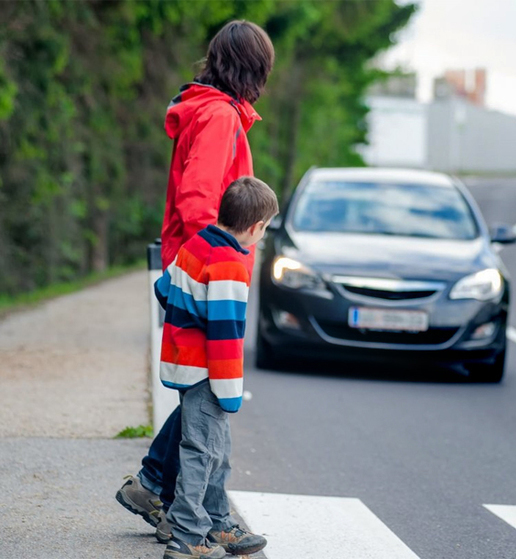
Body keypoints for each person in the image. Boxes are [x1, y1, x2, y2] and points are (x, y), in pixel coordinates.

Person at [115, 19, 274, 537]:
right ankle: (194, 517)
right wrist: (223, 262)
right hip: (208, 272)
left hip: (194, 266)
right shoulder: (220, 118)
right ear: (253, 70)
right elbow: (198, 201)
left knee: (199, 392)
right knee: (207, 394)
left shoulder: (208, 110)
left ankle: (156, 488)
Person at [158, 177, 278, 559]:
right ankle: (188, 535)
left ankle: (217, 521)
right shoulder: (229, 264)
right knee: (201, 450)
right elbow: (225, 337)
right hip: (207, 372)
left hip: (182, 361)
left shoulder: (196, 244)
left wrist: (189, 310)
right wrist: (229, 392)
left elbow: (165, 287)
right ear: (256, 227)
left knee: (215, 448)